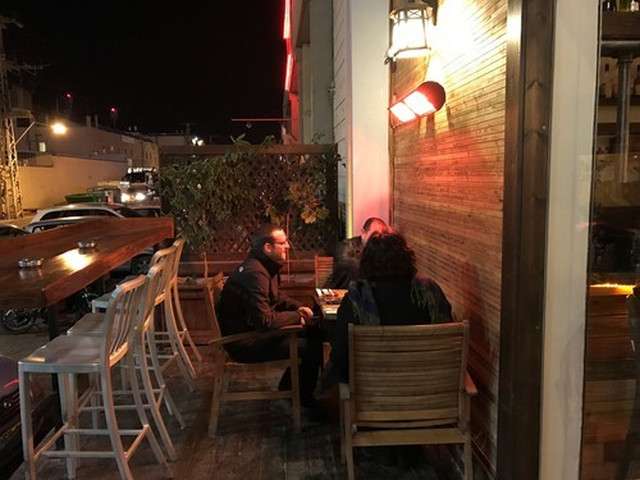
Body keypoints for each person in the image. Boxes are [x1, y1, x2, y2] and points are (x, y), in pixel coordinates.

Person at [323, 229, 453, 387]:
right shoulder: (430, 292)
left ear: (366, 261)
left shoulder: (357, 299)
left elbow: (340, 356)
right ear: (407, 258)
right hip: (429, 388)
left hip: (372, 392)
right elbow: (448, 344)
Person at [217, 224, 324, 408]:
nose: (288, 246)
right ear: (268, 247)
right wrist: (297, 316)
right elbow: (265, 320)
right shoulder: (255, 274)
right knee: (310, 347)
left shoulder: (263, 266)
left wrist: (298, 307)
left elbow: (275, 296)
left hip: (253, 333)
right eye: (283, 243)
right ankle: (302, 401)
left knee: (314, 332)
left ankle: (290, 390)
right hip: (244, 343)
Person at [328, 216, 388, 288]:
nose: (378, 239)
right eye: (374, 235)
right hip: (344, 290)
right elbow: (347, 265)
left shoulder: (382, 248)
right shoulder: (346, 245)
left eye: (381, 236)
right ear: (363, 233)